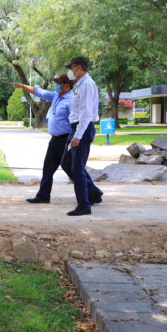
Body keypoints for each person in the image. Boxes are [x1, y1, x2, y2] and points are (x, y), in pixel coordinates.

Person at [11, 74, 75, 204]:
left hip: (66, 139)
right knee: (48, 169)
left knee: (71, 169)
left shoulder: (72, 100)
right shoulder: (56, 96)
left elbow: (76, 121)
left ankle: (92, 192)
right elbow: (39, 91)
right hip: (54, 140)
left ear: (67, 86)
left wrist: (75, 138)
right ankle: (43, 196)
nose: (56, 85)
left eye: (59, 83)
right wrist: (23, 86)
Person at [61, 55, 104, 216]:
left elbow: (86, 114)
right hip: (77, 128)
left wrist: (77, 136)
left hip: (82, 129)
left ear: (79, 67)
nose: (70, 71)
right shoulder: (81, 85)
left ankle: (84, 205)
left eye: (71, 68)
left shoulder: (87, 84)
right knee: (66, 162)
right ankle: (92, 193)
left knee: (77, 168)